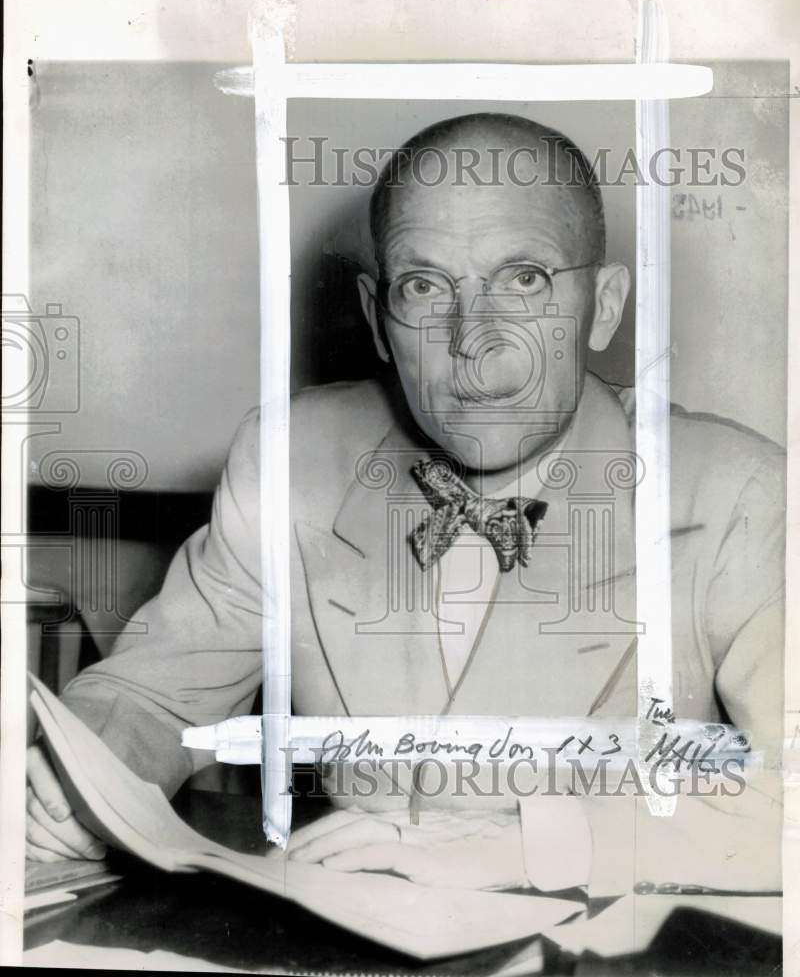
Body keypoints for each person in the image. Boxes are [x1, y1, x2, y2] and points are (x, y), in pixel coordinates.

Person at [26, 114, 785, 907]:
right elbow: (154, 695)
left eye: (522, 278)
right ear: (380, 319)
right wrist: (78, 782)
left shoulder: (738, 494)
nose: (473, 341)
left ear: (603, 305)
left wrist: (528, 844)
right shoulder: (294, 458)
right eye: (425, 288)